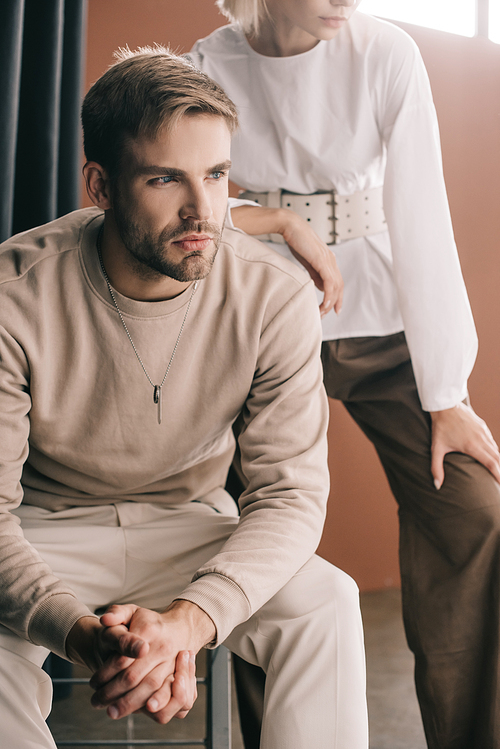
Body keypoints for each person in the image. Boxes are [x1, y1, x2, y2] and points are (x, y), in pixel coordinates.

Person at [0, 46, 368, 749]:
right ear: (101, 185)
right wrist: (77, 632)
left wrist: (188, 622)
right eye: (167, 178)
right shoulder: (14, 297)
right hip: (46, 526)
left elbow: (290, 495)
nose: (204, 209)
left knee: (326, 602)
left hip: (190, 521)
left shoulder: (273, 294)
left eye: (218, 174)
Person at [187, 2, 500, 748]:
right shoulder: (208, 64)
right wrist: (278, 222)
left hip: (382, 316)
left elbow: (422, 211)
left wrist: (446, 392)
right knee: (256, 533)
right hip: (261, 321)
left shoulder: (384, 52)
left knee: (475, 513)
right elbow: (176, 195)